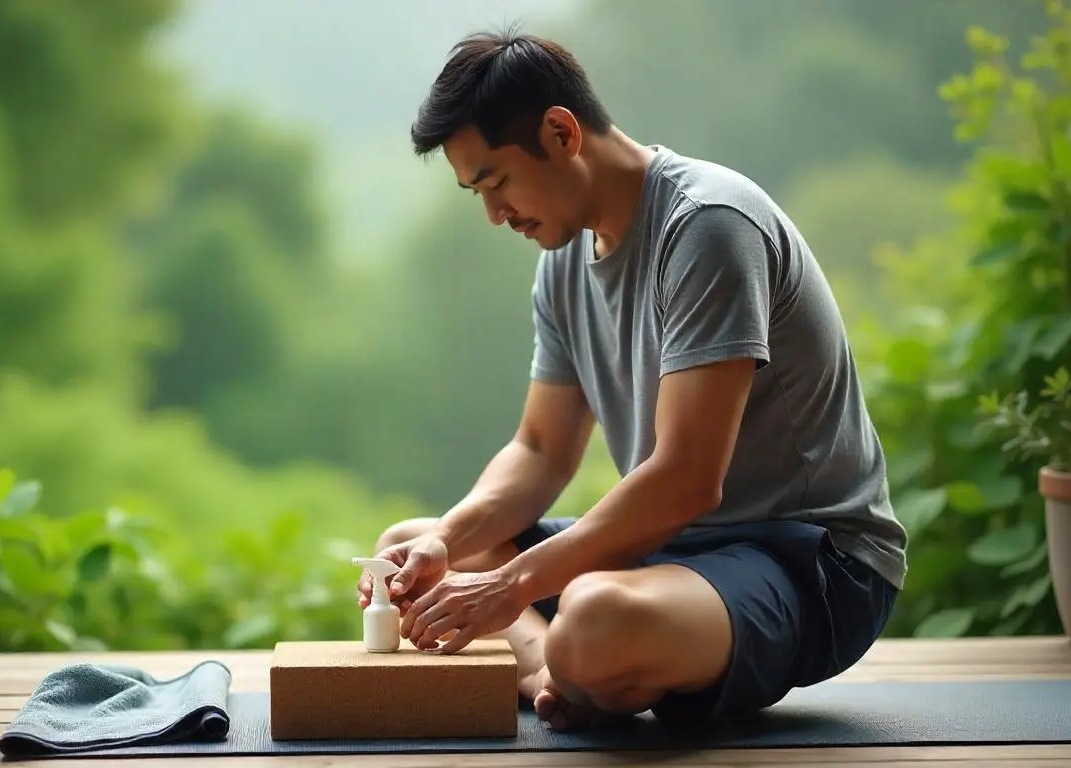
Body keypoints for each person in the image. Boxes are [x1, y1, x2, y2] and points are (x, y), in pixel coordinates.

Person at [356, 28, 908, 732]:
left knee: (594, 618)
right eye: (477, 194)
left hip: (809, 560)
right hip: (667, 553)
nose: (495, 215)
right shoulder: (562, 259)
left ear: (561, 133)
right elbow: (539, 452)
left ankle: (568, 661)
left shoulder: (707, 224)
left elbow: (685, 478)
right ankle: (554, 674)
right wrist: (448, 543)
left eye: (494, 181)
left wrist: (507, 586)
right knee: (410, 546)